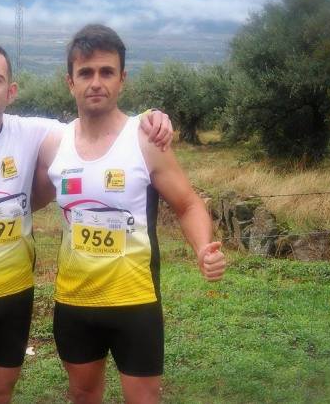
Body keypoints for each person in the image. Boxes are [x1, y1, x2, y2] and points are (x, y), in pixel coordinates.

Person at [0, 41, 174, 404]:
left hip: (14, 297)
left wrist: (151, 117)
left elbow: (96, 121)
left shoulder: (34, 133)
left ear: (10, 91)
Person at [32, 24, 227, 404]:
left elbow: (188, 203)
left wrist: (203, 247)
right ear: (70, 82)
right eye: (85, 73)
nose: (96, 82)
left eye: (106, 72)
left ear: (122, 79)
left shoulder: (146, 139)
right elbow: (26, 198)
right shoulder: (55, 144)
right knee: (83, 395)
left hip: (135, 301)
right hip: (74, 301)